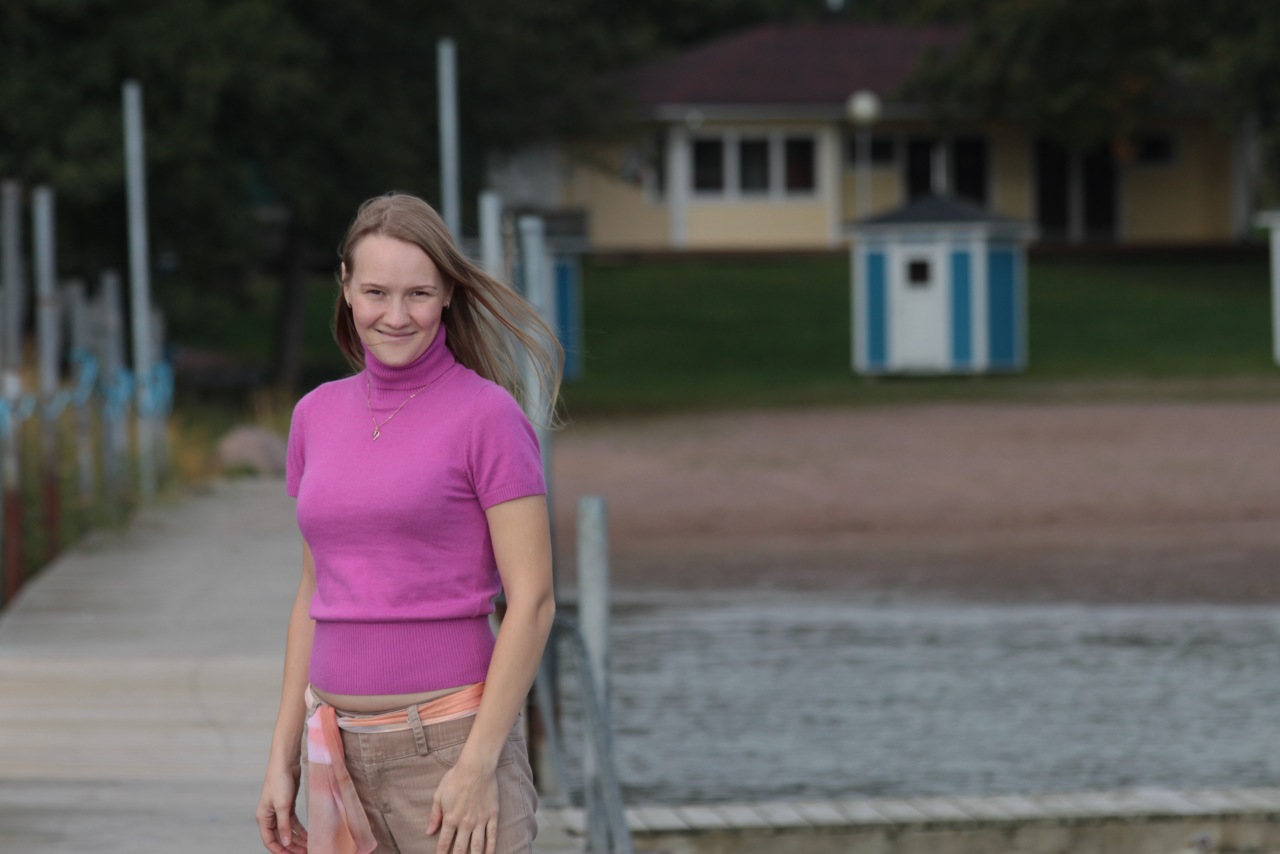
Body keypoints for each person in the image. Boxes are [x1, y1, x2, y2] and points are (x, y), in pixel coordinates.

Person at [256, 192, 562, 854]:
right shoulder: (314, 415)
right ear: (345, 287)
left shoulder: (488, 417)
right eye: (376, 292)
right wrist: (282, 757)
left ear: (447, 293)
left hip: (450, 754)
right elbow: (314, 592)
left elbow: (533, 602)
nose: (396, 316)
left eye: (418, 294)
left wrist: (477, 765)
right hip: (335, 756)